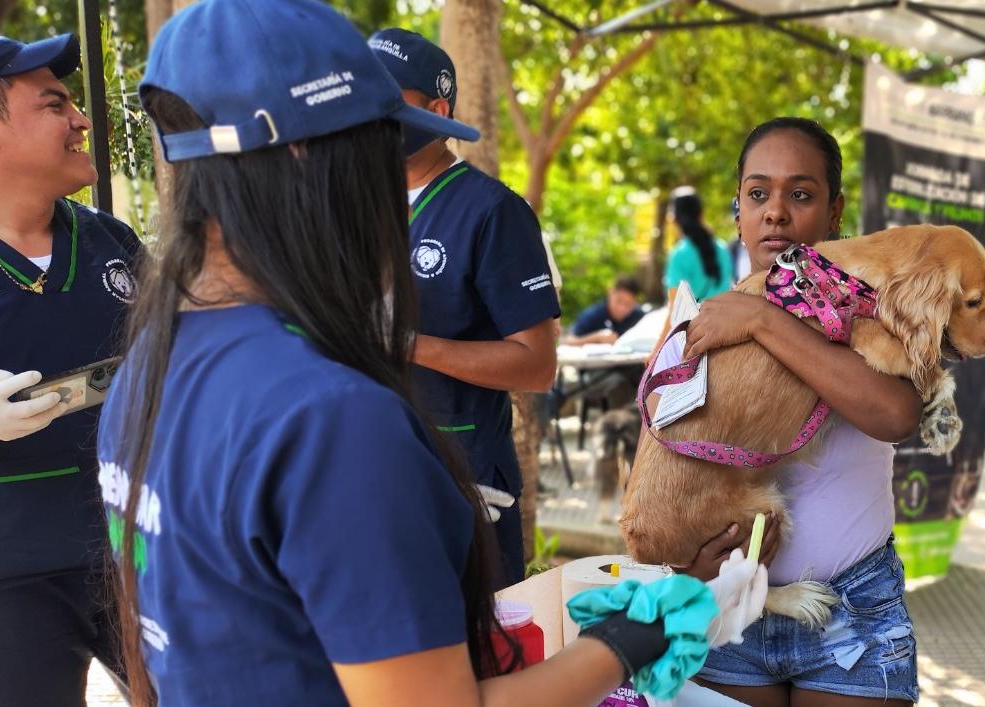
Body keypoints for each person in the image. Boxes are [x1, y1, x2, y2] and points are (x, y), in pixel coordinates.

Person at [99, 2, 762, 705]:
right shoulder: (332, 420)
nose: (394, 191)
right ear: (304, 157)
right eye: (381, 155)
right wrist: (628, 640)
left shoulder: (150, 364)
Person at [668, 117, 922, 706]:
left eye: (800, 195)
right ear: (738, 211)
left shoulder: (870, 310)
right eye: (758, 195)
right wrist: (689, 561)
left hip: (852, 611)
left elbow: (894, 415)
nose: (775, 212)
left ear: (835, 212)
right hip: (727, 603)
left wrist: (762, 318)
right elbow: (667, 465)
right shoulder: (701, 320)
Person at [0, 27, 140, 706]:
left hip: (136, 549)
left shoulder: (112, 242)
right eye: (53, 104)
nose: (80, 119)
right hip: (2, 577)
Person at [370, 27, 561, 588]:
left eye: (388, 96)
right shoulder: (360, 203)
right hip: (375, 470)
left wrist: (411, 345)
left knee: (478, 661)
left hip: (465, 480)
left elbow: (537, 365)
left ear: (438, 109)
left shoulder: (491, 211)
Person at [664, 187, 734, 299]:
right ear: (701, 214)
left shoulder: (679, 255)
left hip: (695, 317)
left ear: (673, 218)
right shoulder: (722, 249)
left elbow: (675, 308)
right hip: (725, 315)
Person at [565, 275, 645, 346]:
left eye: (628, 304)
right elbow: (568, 341)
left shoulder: (640, 318)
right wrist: (596, 337)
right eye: (619, 300)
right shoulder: (594, 314)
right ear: (611, 293)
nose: (622, 308)